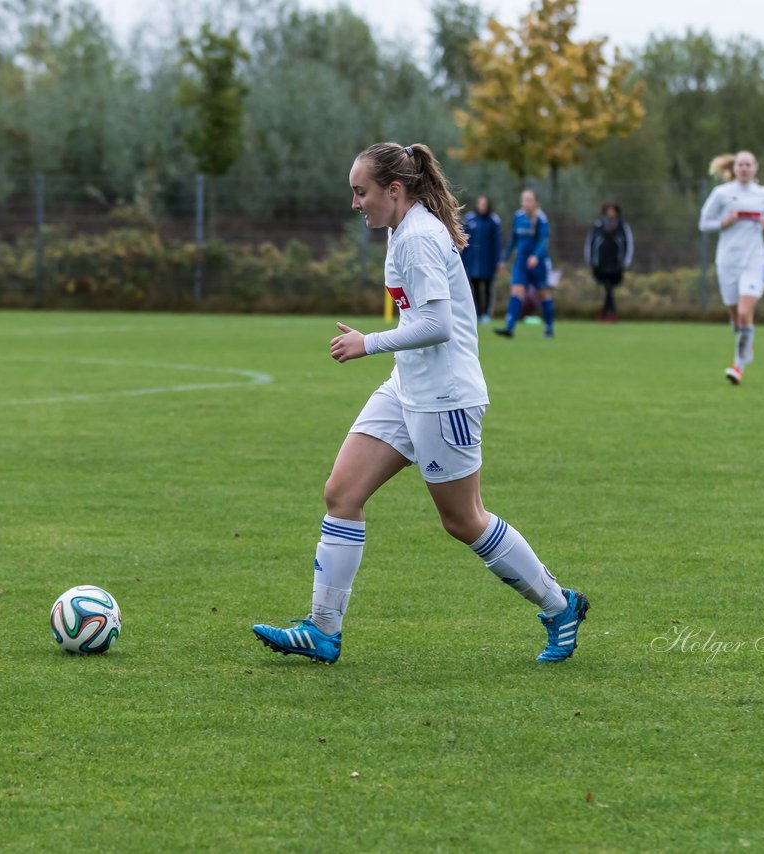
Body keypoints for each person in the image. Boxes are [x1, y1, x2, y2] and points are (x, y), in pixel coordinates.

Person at [251, 142, 589, 665]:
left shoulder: (420, 238)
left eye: (360, 192)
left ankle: (558, 604)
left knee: (463, 519)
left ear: (394, 189)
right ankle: (322, 630)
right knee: (342, 492)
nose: (355, 202)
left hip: (445, 398)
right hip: (405, 388)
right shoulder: (401, 230)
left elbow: (436, 325)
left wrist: (369, 342)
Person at [698, 151, 764, 385]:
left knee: (744, 312)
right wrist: (724, 223)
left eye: (749, 164)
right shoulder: (722, 193)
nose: (745, 168)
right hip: (727, 261)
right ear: (734, 168)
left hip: (754, 261)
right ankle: (746, 345)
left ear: (755, 168)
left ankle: (737, 365)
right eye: (741, 164)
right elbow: (704, 223)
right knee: (736, 318)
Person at [495, 189, 555, 339]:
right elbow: (513, 241)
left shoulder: (541, 219)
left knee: (543, 294)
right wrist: (504, 258)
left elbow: (543, 240)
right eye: (524, 199)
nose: (527, 202)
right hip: (521, 262)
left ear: (535, 202)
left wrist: (536, 256)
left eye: (529, 199)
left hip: (538, 264)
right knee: (516, 291)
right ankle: (509, 328)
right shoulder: (518, 217)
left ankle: (549, 328)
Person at [584, 202, 633, 322]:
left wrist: (626, 261)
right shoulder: (597, 225)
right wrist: (590, 260)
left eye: (613, 210)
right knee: (608, 287)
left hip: (616, 264)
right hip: (601, 263)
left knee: (609, 287)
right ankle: (611, 313)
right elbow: (589, 243)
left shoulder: (622, 226)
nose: (611, 213)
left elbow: (629, 244)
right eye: (608, 210)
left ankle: (606, 313)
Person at [461, 195, 503, 324]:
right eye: (480, 203)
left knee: (487, 288)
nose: (482, 206)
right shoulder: (469, 219)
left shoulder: (493, 220)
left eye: (484, 204)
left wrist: (498, 261)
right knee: (475, 288)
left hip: (488, 262)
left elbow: (497, 243)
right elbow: (463, 240)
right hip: (473, 263)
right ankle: (478, 313)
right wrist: (463, 260)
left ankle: (486, 314)